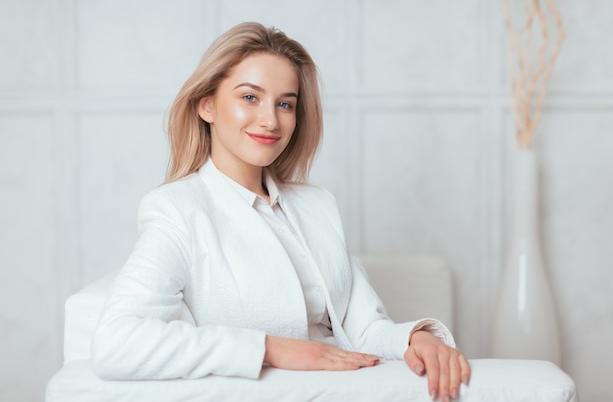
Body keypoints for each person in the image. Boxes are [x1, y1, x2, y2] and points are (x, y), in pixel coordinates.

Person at [91, 22, 470, 402]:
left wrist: (416, 339)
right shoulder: (178, 210)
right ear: (206, 105)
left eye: (285, 103)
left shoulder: (318, 206)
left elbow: (364, 329)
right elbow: (116, 341)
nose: (271, 120)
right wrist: (270, 348)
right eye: (250, 97)